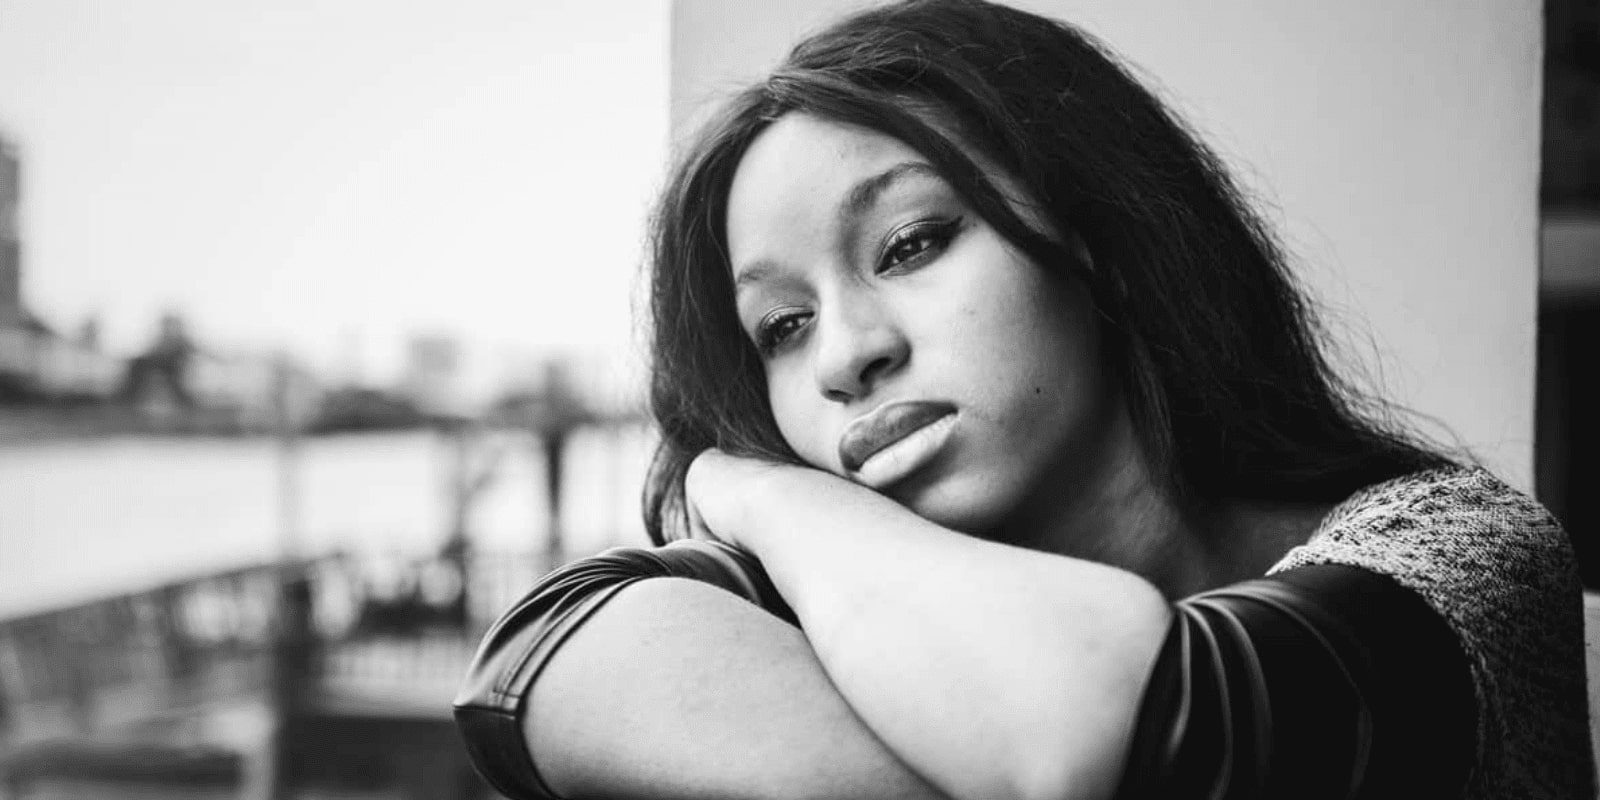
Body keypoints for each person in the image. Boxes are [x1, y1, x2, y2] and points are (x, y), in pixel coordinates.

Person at [454, 1, 1593, 798]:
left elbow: (1140, 731)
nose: (843, 356)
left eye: (909, 242)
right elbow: (537, 660)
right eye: (781, 327)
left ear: (1102, 242)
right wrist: (749, 483)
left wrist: (746, 491)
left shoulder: (1455, 551)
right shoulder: (848, 579)